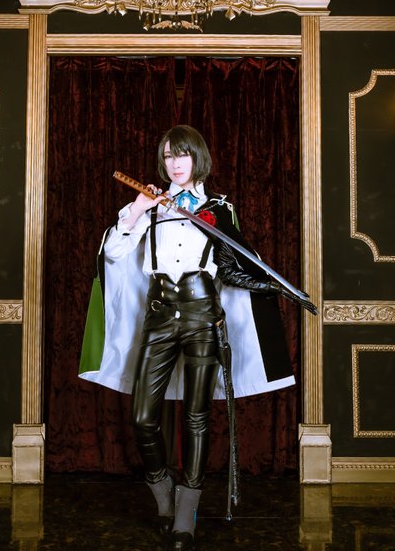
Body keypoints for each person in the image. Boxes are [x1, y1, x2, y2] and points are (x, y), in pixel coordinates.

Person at [79, 125, 311, 550]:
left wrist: (269, 284)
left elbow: (237, 264)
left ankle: (186, 510)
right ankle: (162, 492)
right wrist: (137, 208)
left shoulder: (219, 209)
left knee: (197, 416)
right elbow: (113, 253)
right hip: (159, 317)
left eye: (182, 155)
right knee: (143, 417)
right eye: (168, 156)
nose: (175, 164)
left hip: (203, 316)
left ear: (197, 158)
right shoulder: (148, 208)